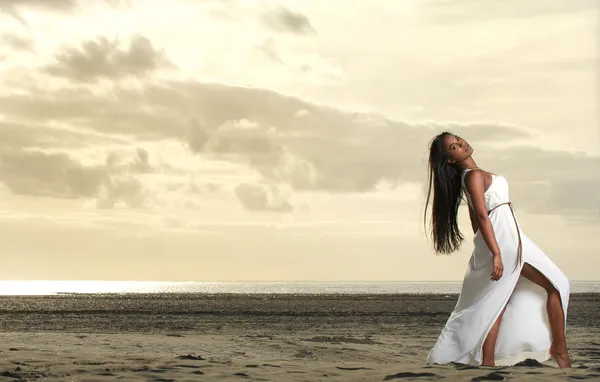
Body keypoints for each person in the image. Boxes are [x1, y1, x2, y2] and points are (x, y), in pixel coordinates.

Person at [424, 132, 571, 368]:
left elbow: (476, 218)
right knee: (556, 285)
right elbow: (481, 216)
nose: (461, 144)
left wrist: (484, 246)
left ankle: (489, 361)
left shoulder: (474, 176)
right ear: (450, 159)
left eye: (458, 139)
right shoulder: (471, 177)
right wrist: (496, 253)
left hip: (513, 237)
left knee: (497, 301)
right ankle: (559, 351)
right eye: (454, 146)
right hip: (505, 242)